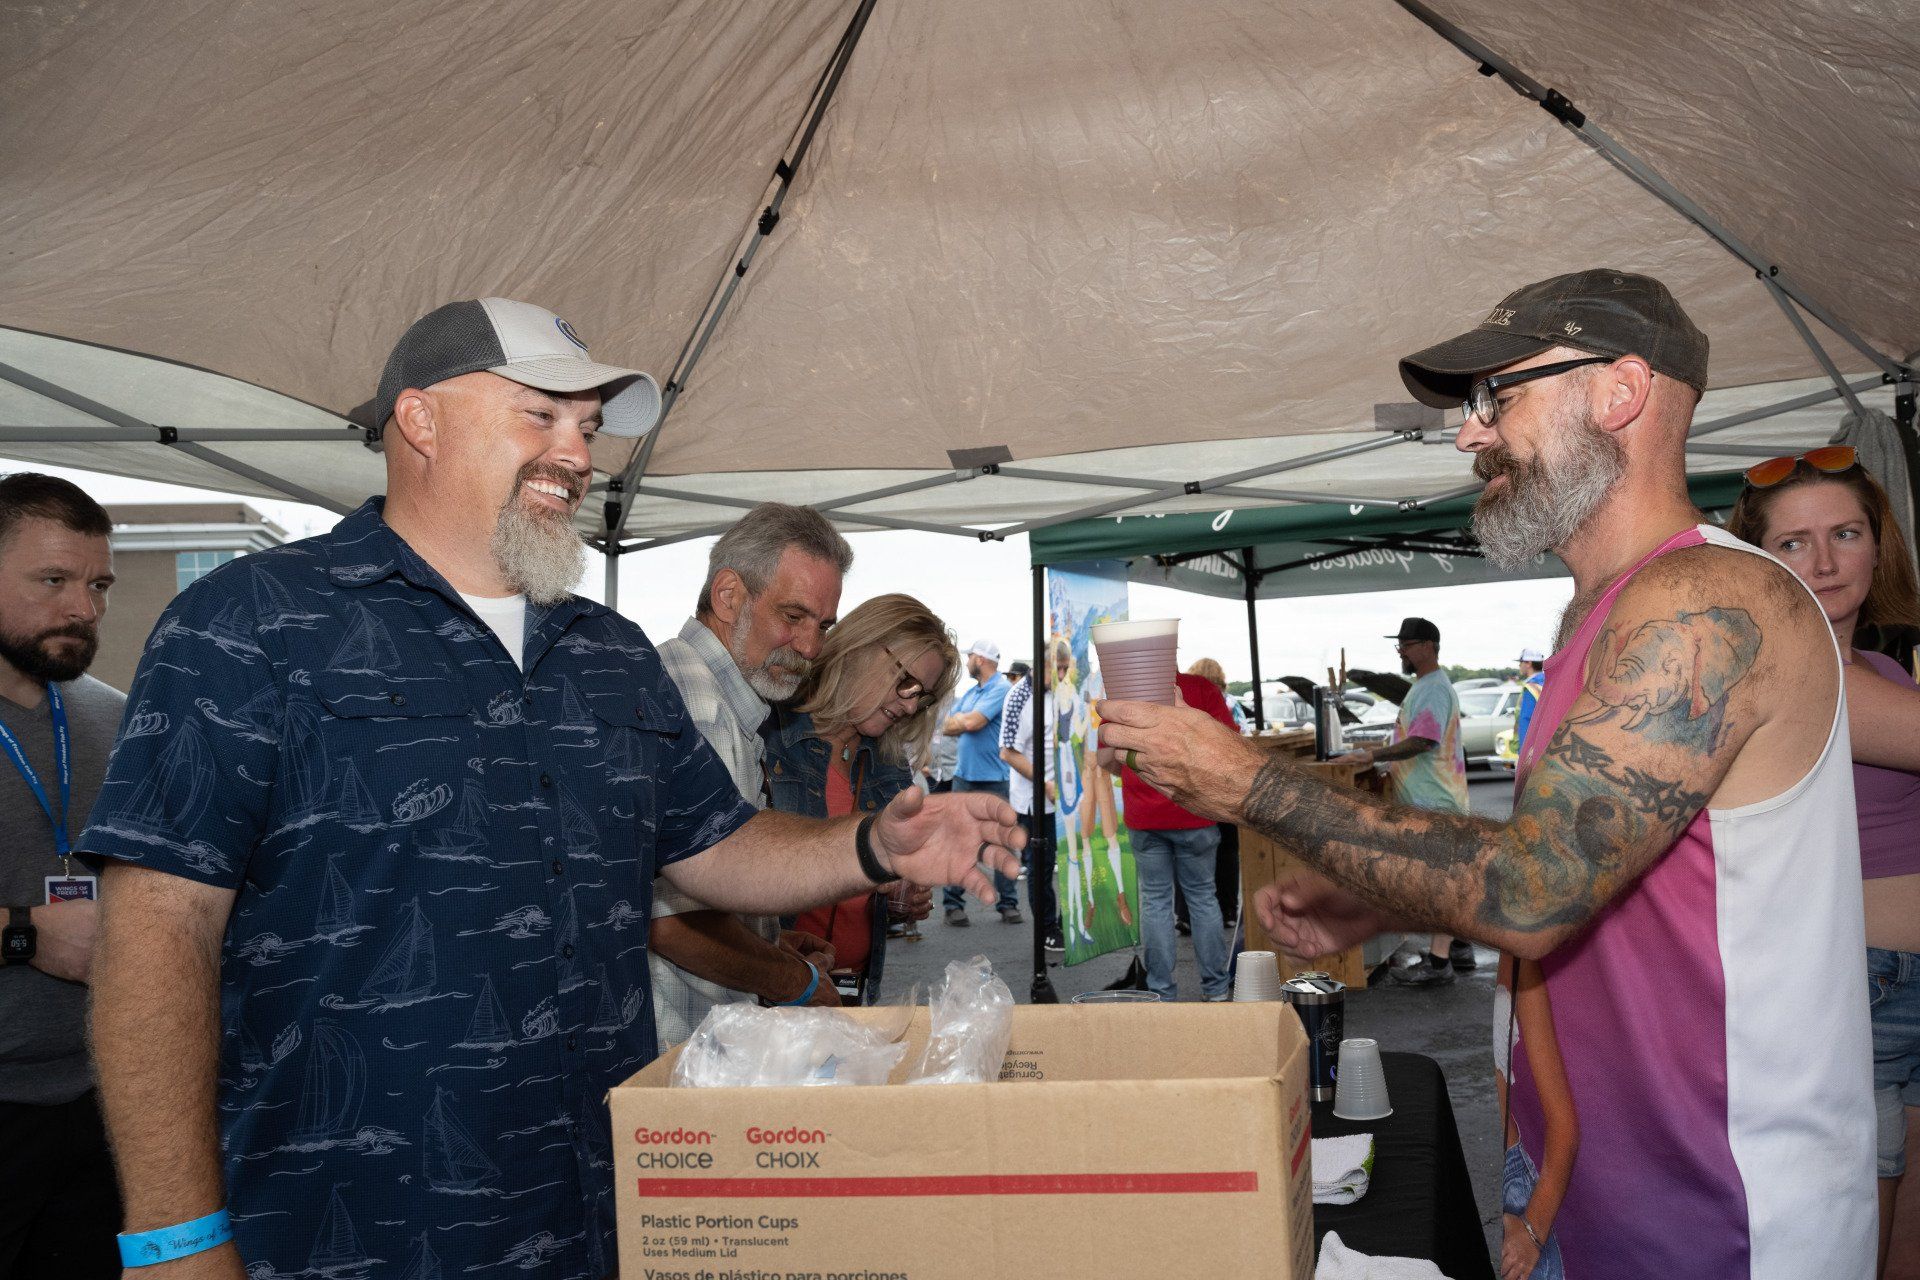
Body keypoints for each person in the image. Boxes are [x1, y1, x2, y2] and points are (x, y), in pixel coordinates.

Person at [81, 297, 1024, 1279]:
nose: (579, 454)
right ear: (421, 420)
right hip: (352, 1234)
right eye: (542, 415)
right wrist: (175, 1238)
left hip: (596, 1218)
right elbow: (157, 930)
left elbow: (714, 845)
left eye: (588, 427)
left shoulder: (607, 653)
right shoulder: (249, 627)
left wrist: (876, 843)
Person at [1100, 269, 1875, 1276]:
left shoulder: (1710, 601)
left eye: (1496, 400)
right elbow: (1573, 869)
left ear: (1619, 391)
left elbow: (1534, 889)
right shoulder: (1606, 612)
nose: (1471, 436)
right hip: (1605, 1184)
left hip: (1730, 1211)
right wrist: (1382, 897)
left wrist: (1250, 781)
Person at [1729, 449, 1920, 1277]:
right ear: (1756, 563)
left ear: (1878, 548)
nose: (1826, 560)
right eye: (1794, 543)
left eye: (1845, 533)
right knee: (1855, 1243)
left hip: (1906, 984)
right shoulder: (1790, 676)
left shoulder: (1878, 668)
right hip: (1861, 990)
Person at [650, 502, 855, 1048]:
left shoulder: (715, 695)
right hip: (685, 1050)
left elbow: (689, 895)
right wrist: (796, 980)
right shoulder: (699, 707)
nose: (811, 648)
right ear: (728, 594)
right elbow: (668, 924)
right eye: (793, 617)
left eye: (823, 625)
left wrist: (770, 941)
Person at [0, 474, 124, 1279]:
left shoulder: (117, 716)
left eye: (98, 584)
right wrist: (25, 932)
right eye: (52, 580)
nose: (83, 607)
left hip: (105, 1101)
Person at [763, 594, 951, 1003]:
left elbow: (883, 882)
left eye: (924, 696)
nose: (911, 704)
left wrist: (901, 893)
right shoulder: (767, 734)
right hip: (769, 994)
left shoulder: (888, 762)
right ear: (860, 647)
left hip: (852, 992)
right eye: (907, 681)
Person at [1338, 618, 1471, 986]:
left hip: (1434, 801)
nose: (1402, 651)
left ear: (1428, 645)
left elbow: (1423, 740)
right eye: (1399, 645)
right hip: (1434, 797)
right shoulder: (1427, 686)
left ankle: (1439, 963)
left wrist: (1373, 756)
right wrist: (1374, 752)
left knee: (1439, 884)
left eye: (1408, 644)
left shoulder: (1432, 689)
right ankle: (1458, 947)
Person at [1119, 667, 1237, 1001]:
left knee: (1155, 902)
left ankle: (1160, 992)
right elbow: (1229, 742)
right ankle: (1215, 990)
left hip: (1144, 815)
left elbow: (1106, 756)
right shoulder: (1200, 688)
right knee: (1203, 898)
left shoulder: (1128, 693)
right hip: (1195, 811)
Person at [1494, 955, 1576, 1280]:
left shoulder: (1525, 960)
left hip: (1532, 1185)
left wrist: (1532, 1231)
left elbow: (1565, 1128)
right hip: (1523, 1169)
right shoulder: (1513, 952)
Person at [941, 639, 1020, 925]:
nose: (967, 661)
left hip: (994, 781)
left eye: (970, 656)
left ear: (982, 659)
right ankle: (953, 905)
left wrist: (965, 720)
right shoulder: (973, 693)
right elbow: (948, 726)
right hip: (965, 778)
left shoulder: (1001, 689)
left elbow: (972, 724)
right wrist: (965, 719)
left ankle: (1008, 903)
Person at [1001, 655, 1063, 951]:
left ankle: (1063, 922)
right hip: (1034, 801)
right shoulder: (1019, 696)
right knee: (1041, 866)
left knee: (1068, 863)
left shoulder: (1063, 691)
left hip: (1067, 798)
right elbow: (1008, 752)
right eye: (1057, 669)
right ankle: (1047, 928)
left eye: (1066, 669)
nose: (1062, 674)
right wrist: (1045, 784)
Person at [1184, 657, 1241, 929]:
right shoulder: (1220, 701)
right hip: (1224, 786)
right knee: (1227, 851)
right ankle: (1228, 910)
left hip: (1192, 791)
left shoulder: (1185, 696)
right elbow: (1233, 738)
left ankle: (1184, 916)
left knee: (1186, 864)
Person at [1515, 648, 1546, 752]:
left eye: (1520, 662)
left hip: (1531, 749)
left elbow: (1526, 720)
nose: (1519, 665)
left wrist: (1523, 753)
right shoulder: (1548, 682)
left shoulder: (1531, 687)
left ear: (1528, 663)